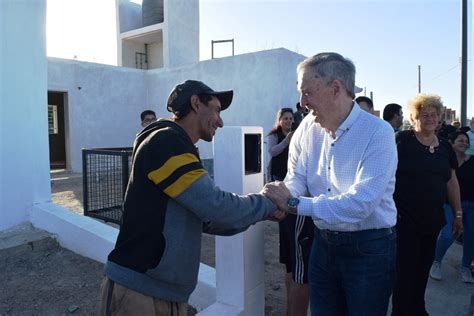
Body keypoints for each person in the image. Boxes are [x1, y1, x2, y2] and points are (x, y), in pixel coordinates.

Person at [100, 80, 284, 315]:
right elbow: (216, 207)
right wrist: (268, 199)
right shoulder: (167, 142)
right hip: (140, 291)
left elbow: (208, 219)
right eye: (216, 110)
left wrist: (263, 212)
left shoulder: (175, 144)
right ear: (196, 103)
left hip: (160, 291)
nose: (220, 121)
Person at [263, 52, 398, 315]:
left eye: (307, 93)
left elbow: (361, 203)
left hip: (368, 249)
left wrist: (291, 203)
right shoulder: (306, 129)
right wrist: (278, 194)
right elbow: (298, 176)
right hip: (322, 245)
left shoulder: (378, 133)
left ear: (335, 88)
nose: (302, 103)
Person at [391, 94, 463, 315]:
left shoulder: (444, 147)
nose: (430, 119)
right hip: (404, 221)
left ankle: (417, 308)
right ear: (414, 118)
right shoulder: (402, 141)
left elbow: (451, 181)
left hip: (432, 222)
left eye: (434, 115)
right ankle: (402, 311)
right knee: (405, 273)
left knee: (422, 270)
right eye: (424, 115)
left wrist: (458, 214)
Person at [267, 108, 314, 316]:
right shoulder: (276, 137)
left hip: (293, 201)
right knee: (293, 265)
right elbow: (272, 153)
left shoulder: (309, 133)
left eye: (291, 119)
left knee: (299, 268)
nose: (289, 121)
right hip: (288, 199)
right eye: (285, 118)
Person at [430, 131, 473, 283]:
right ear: (452, 143)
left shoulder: (472, 161)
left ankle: (466, 267)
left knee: (471, 237)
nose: (464, 143)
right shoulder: (445, 161)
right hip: (449, 204)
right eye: (460, 140)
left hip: (471, 205)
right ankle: (436, 262)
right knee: (447, 235)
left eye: (466, 141)